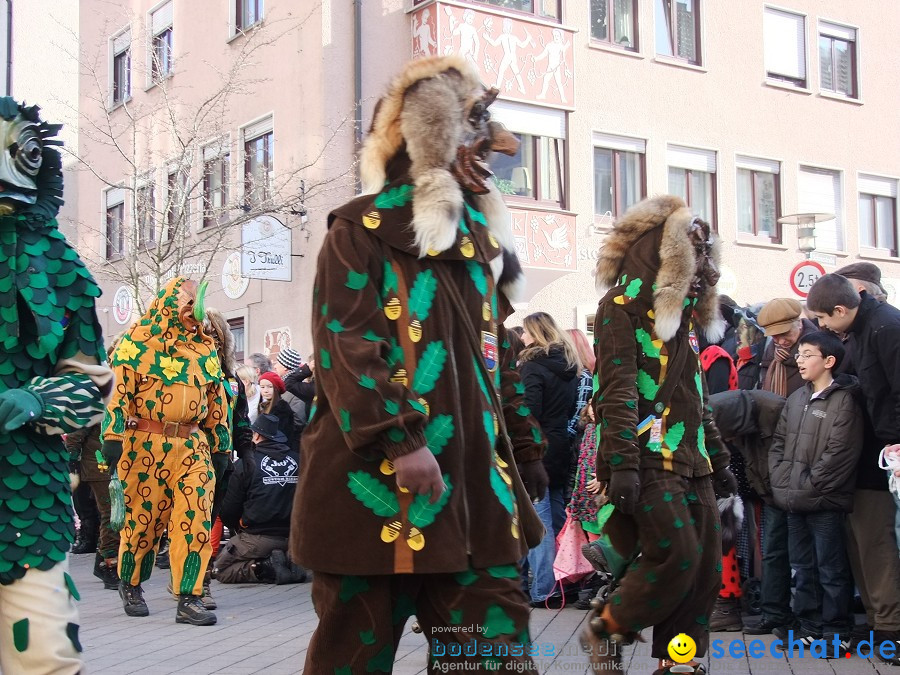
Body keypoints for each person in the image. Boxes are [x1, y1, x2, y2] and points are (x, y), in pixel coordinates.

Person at [291, 55, 549, 673]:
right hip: (375, 501)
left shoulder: (480, 244)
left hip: (477, 506)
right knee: (352, 660)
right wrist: (400, 440)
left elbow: (497, 359)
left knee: (494, 660)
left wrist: (525, 446)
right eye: (478, 126)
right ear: (433, 134)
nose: (502, 147)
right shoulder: (358, 231)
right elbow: (344, 347)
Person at [583, 195, 736, 675]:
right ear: (665, 261)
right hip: (647, 457)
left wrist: (722, 460)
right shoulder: (619, 308)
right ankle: (607, 626)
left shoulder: (685, 321)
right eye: (694, 262)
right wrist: (623, 463)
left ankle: (679, 662)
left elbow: (696, 395)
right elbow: (617, 390)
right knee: (676, 556)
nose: (704, 274)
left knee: (706, 567)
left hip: (695, 460)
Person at [0, 99, 113, 674]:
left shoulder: (56, 263)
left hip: (29, 500)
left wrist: (38, 399)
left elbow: (90, 386)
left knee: (43, 652)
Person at [101, 277, 232, 626]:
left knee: (194, 521)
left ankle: (189, 596)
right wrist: (112, 437)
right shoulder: (135, 343)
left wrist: (220, 444)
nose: (194, 315)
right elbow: (118, 395)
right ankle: (130, 584)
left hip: (192, 446)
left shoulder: (205, 349)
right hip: (145, 445)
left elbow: (216, 400)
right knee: (143, 524)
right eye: (187, 305)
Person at [807, 272, 900, 661]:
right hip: (871, 454)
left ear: (843, 308)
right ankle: (882, 623)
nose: (823, 328)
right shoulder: (862, 330)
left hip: (886, 456)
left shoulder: (885, 327)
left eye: (824, 320)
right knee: (864, 543)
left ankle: (891, 629)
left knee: (877, 543)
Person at [768, 331, 863, 653]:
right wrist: (783, 481)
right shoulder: (796, 398)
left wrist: (806, 485)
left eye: (808, 354)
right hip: (793, 498)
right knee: (802, 566)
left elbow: (840, 454)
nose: (800, 359)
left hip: (824, 501)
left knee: (831, 568)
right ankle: (808, 625)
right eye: (800, 354)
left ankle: (837, 632)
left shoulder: (845, 400)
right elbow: (778, 443)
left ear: (829, 361)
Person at [744, 297, 817, 638]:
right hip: (771, 462)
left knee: (808, 551)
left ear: (799, 323)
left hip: (806, 464)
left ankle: (808, 617)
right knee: (774, 546)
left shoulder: (817, 351)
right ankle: (774, 614)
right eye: (774, 335)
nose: (781, 341)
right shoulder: (764, 356)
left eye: (784, 333)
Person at [518, 312, 580, 607]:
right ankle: (566, 579)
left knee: (536, 519)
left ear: (537, 333)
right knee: (556, 513)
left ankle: (545, 589)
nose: (521, 338)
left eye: (526, 332)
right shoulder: (569, 365)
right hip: (560, 443)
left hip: (537, 446)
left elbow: (530, 411)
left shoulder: (532, 366)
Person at [215, 413, 307, 584]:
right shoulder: (299, 460)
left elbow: (228, 509)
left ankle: (265, 567)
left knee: (220, 570)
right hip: (296, 536)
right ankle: (290, 562)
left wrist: (238, 526)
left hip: (259, 536)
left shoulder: (245, 464)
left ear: (256, 435)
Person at [273, 347, 308, 445]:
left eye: (278, 363)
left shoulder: (295, 388)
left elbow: (298, 421)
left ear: (285, 366)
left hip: (290, 444)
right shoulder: (285, 385)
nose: (275, 366)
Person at [257, 371, 295, 451]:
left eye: (270, 387)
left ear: (276, 388)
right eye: (262, 387)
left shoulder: (282, 408)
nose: (265, 390)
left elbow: (281, 433)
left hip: (277, 449)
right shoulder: (264, 406)